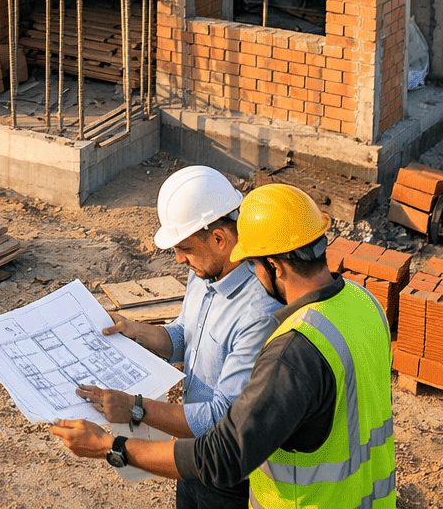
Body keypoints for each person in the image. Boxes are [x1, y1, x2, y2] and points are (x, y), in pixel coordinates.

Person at [53, 183, 396, 509]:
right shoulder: (364, 303)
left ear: (273, 266)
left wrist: (109, 446)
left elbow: (224, 455)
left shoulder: (295, 349)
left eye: (254, 263)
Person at [74, 165, 281, 509]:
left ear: (219, 238)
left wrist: (135, 408)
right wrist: (137, 332)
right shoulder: (203, 275)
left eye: (184, 247)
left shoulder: (257, 311)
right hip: (190, 459)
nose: (178, 258)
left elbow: (221, 419)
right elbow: (185, 336)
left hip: (229, 474)